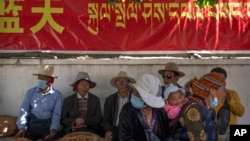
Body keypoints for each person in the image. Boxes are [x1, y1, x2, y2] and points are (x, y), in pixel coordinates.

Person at [14, 65, 63, 141]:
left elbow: (56, 114)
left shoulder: (57, 94)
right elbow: (24, 110)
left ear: (50, 80)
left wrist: (53, 128)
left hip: (48, 126)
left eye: (43, 78)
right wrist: (22, 127)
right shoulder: (31, 92)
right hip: (32, 125)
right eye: (39, 77)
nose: (40, 80)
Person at [173, 72, 225, 141]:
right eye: (223, 89)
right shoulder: (193, 109)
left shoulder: (210, 110)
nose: (224, 94)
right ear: (212, 91)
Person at [119, 73, 171, 141]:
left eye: (138, 94)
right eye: (135, 92)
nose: (134, 95)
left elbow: (167, 134)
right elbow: (124, 137)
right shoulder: (127, 110)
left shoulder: (160, 111)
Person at [60, 72, 102, 137]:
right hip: (72, 130)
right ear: (76, 86)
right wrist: (74, 122)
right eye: (81, 84)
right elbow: (63, 118)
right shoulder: (68, 100)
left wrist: (84, 120)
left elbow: (98, 118)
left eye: (86, 84)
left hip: (91, 130)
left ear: (89, 86)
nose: (84, 87)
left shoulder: (95, 99)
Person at [211, 67, 245, 141]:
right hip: (214, 130)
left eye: (222, 79)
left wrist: (230, 100)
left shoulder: (232, 94)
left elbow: (240, 112)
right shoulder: (207, 95)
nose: (220, 81)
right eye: (217, 78)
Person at [103, 71, 136, 141]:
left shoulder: (135, 99)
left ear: (128, 84)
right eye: (119, 82)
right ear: (116, 85)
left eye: (124, 82)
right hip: (114, 130)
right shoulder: (109, 99)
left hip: (130, 130)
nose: (121, 84)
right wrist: (108, 131)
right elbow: (106, 119)